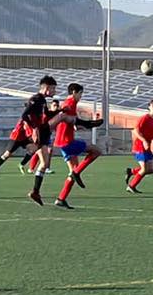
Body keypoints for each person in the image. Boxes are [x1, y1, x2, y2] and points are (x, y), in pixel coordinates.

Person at [52, 82, 104, 210]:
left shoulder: (68, 103)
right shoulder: (70, 103)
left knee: (72, 171)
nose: (81, 96)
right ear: (74, 92)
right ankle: (77, 172)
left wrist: (81, 125)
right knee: (97, 151)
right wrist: (90, 124)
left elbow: (71, 122)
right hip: (67, 141)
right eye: (80, 93)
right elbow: (69, 119)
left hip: (62, 141)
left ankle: (61, 198)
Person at [19, 76, 59, 205]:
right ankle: (35, 190)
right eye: (53, 88)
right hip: (37, 134)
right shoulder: (36, 99)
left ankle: (35, 192)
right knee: (43, 162)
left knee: (44, 163)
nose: (54, 91)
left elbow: (46, 114)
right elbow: (24, 115)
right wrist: (34, 128)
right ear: (46, 88)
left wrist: (60, 111)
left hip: (42, 134)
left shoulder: (42, 101)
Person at [126, 99, 153, 193]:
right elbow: (135, 131)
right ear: (149, 107)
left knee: (152, 169)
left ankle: (132, 172)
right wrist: (144, 141)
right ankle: (131, 186)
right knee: (144, 169)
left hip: (147, 148)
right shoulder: (145, 118)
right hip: (140, 146)